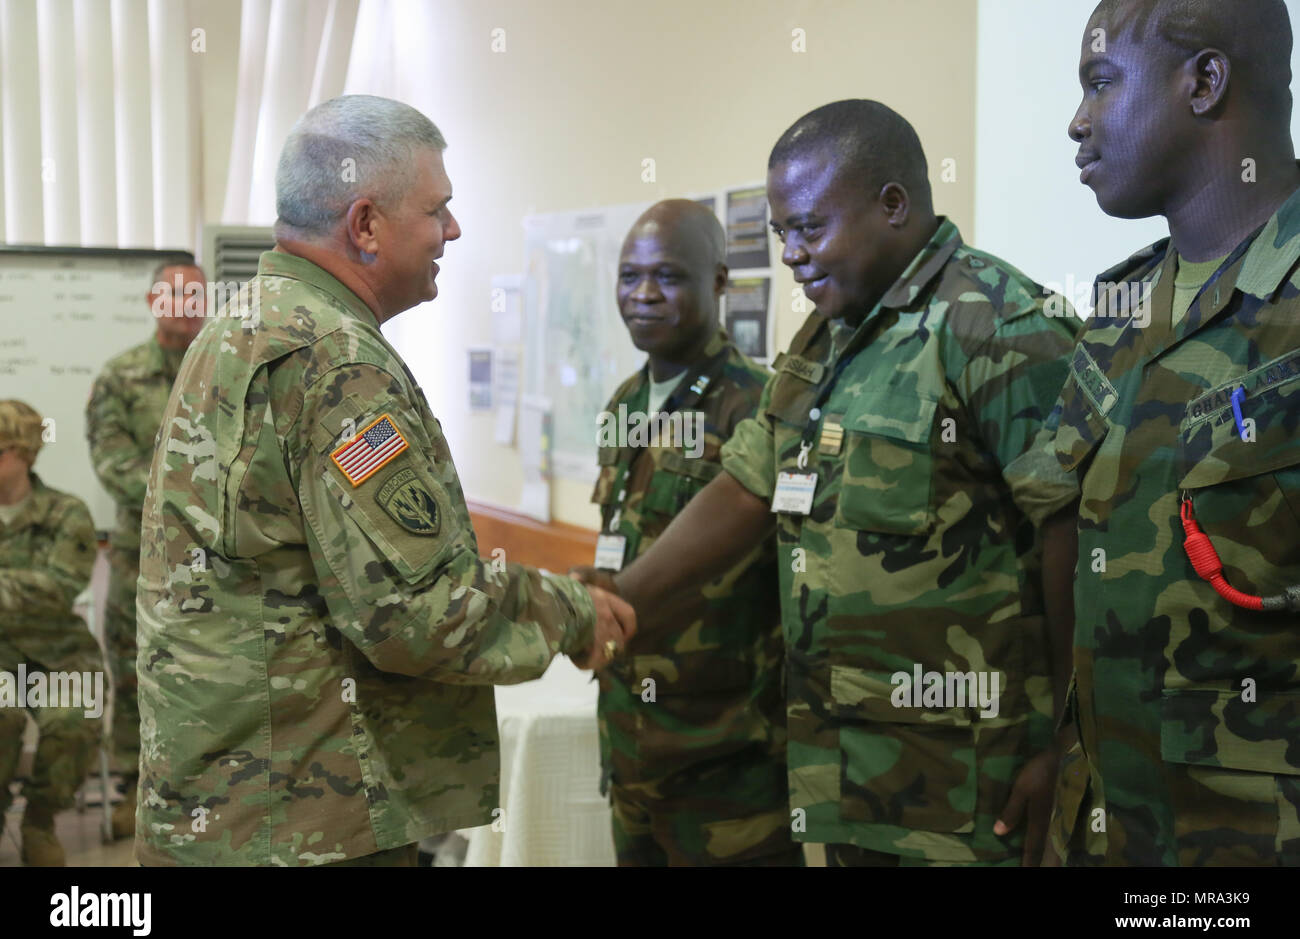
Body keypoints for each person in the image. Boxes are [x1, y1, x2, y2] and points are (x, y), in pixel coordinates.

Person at [133, 94, 634, 867]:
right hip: (302, 821)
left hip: (229, 808)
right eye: (439, 210)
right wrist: (570, 612)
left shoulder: (247, 322)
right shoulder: (334, 361)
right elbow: (418, 613)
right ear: (365, 225)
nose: (454, 232)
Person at [579, 100, 1081, 866]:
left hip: (969, 790)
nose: (791, 254)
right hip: (845, 775)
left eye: (810, 227)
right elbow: (746, 488)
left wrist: (1066, 745)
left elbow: (1073, 533)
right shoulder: (826, 336)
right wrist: (616, 604)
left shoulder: (999, 325)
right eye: (782, 233)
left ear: (893, 205)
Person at [1048, 0, 1300, 866]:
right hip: (1110, 824)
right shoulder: (1117, 312)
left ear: (1205, 81)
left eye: (1101, 82)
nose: (1077, 122)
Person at [585, 199, 798, 866]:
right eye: (629, 275)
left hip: (725, 759)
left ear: (719, 284)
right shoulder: (625, 401)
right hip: (631, 740)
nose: (643, 295)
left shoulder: (758, 408)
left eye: (669, 277)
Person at [86, 259, 205, 839]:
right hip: (142, 559)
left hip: (217, 565)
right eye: (175, 295)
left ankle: (198, 798)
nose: (186, 305)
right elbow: (112, 464)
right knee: (135, 676)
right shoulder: (119, 377)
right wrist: (188, 499)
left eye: (196, 295)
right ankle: (132, 800)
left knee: (204, 675)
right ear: (154, 301)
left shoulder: (227, 369)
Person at [0, 400, 102, 866]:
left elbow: (58, 589)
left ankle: (40, 819)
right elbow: (36, 586)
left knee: (75, 716)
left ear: (24, 453)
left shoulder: (67, 512)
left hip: (57, 653)